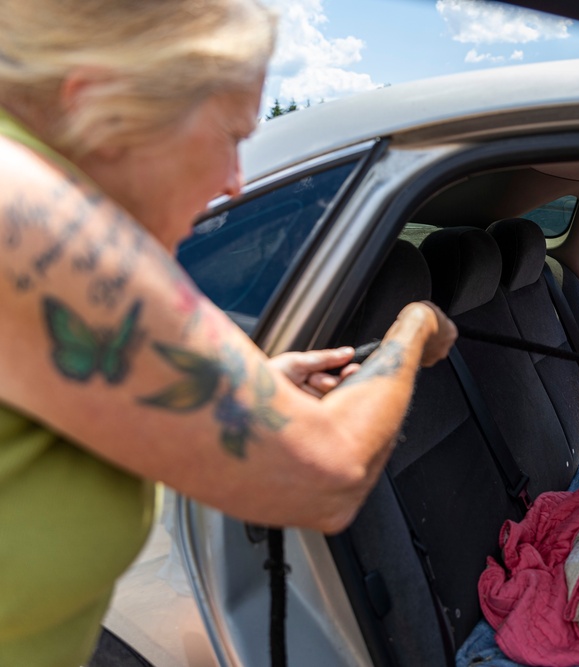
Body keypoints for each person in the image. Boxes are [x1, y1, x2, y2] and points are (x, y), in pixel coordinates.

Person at [0, 2, 457, 665]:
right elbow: (329, 472)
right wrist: (415, 326)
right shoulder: (28, 212)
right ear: (101, 105)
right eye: (232, 134)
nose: (235, 181)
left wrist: (251, 389)